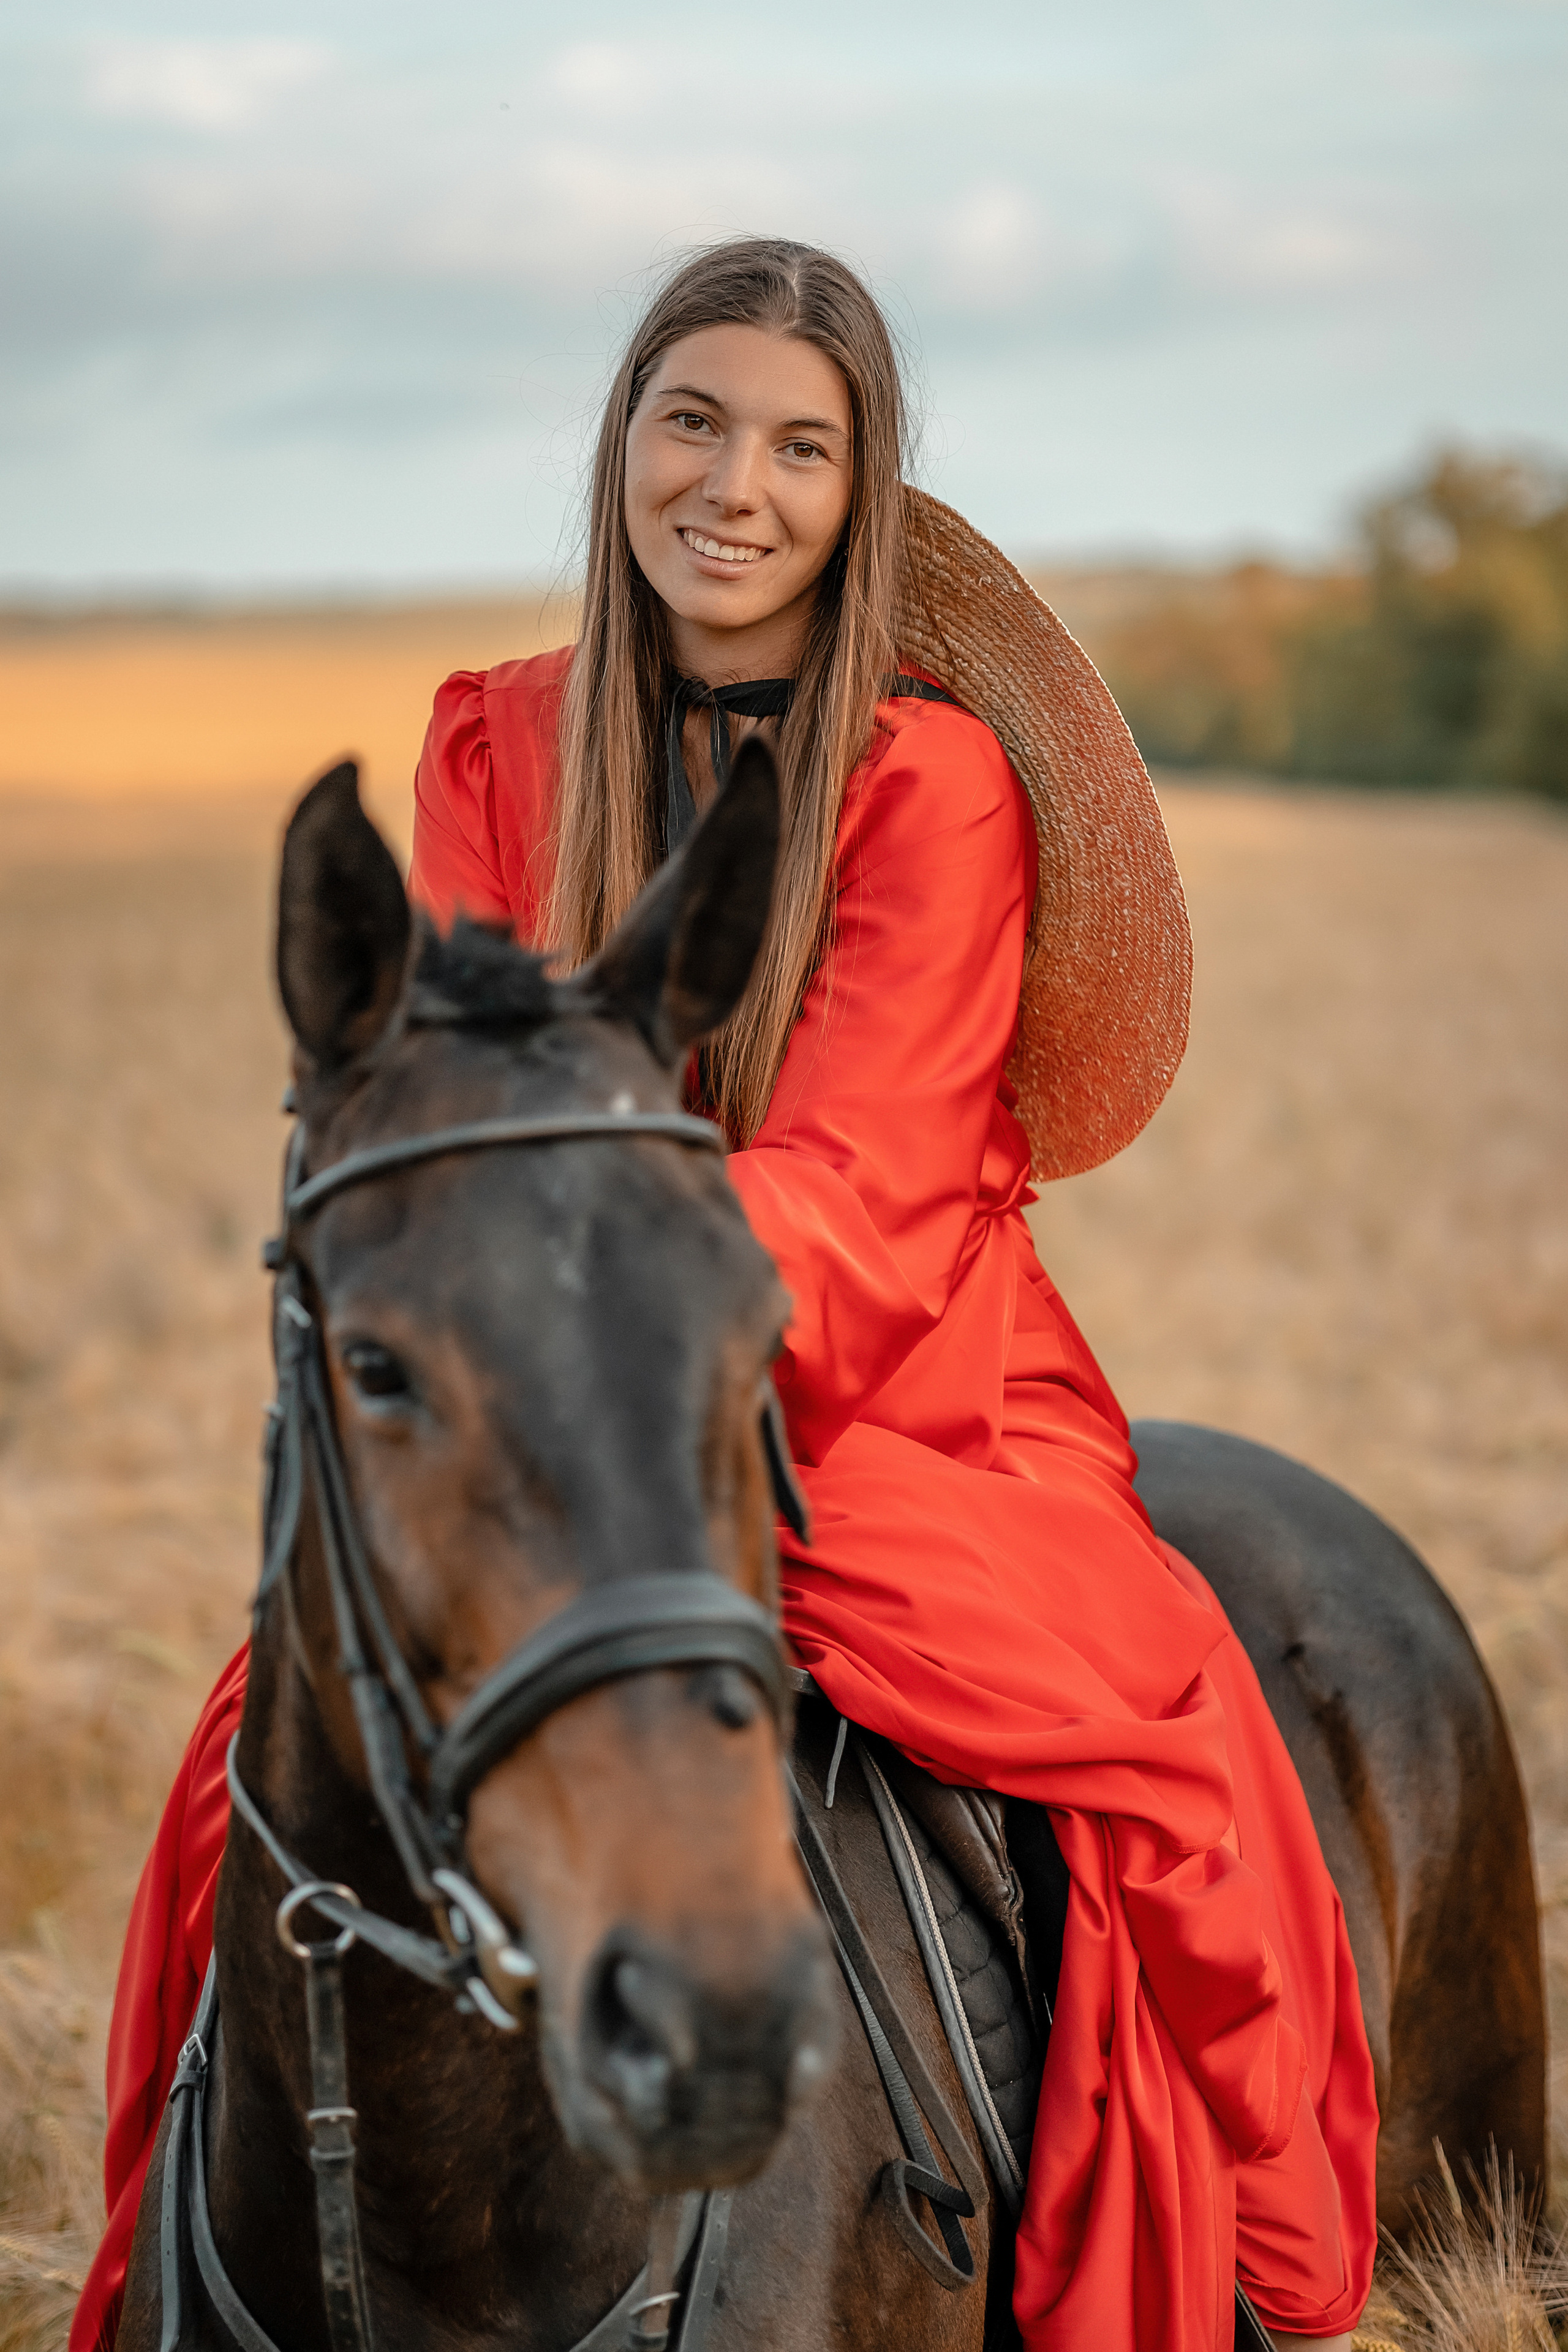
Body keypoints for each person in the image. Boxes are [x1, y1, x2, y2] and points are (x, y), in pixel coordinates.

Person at [74, 238, 1376, 2352]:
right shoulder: (493, 739)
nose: (735, 486)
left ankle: (1230, 2280)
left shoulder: (934, 783)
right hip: (561, 1365)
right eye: (693, 421)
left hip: (897, 1369)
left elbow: (863, 1178)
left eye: (800, 443)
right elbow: (476, 1090)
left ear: (861, 492)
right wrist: (524, 1317)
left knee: (1147, 1760)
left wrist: (607, 1299)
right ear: (623, 446)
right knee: (264, 1738)